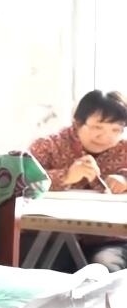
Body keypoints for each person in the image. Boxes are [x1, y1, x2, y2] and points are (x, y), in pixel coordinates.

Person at [28, 90, 127, 272]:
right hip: (52, 235)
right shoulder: (48, 145)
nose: (106, 137)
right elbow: (22, 180)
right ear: (77, 122)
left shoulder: (124, 149)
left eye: (116, 130)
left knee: (106, 265)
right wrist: (65, 177)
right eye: (97, 127)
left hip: (112, 239)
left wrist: (124, 179)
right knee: (47, 268)